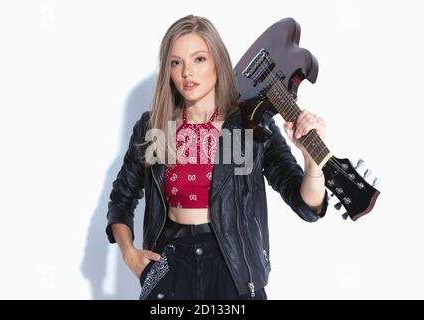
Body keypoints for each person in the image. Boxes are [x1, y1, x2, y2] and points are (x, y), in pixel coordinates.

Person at [106, 14, 328, 300]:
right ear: (168, 70)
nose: (187, 72)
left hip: (234, 270)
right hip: (170, 266)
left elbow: (305, 203)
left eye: (199, 59)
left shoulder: (253, 123)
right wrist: (129, 255)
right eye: (176, 62)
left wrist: (312, 165)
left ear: (218, 62)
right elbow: (121, 199)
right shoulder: (152, 128)